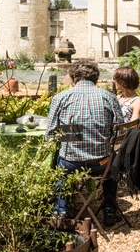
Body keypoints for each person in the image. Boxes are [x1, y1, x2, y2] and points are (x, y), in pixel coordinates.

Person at [47, 59, 125, 226]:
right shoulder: (109, 98)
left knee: (60, 165)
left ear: (74, 78)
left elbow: (51, 134)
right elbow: (120, 133)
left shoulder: (60, 98)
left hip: (71, 163)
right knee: (113, 160)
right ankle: (109, 209)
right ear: (95, 79)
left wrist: (73, 135)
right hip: (101, 163)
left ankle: (59, 211)